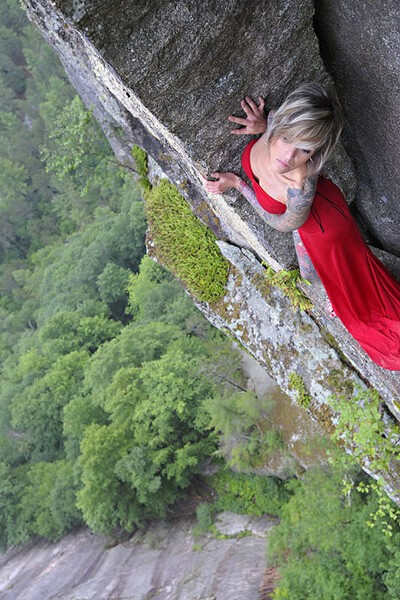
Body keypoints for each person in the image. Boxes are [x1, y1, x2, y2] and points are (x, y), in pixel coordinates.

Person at [202, 83, 400, 370]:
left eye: (305, 149)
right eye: (286, 137)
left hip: (325, 228)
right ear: (280, 123)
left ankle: (351, 304)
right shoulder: (275, 132)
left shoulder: (300, 187)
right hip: (314, 219)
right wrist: (262, 125)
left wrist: (238, 185)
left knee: (352, 295)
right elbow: (282, 133)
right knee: (317, 275)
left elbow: (282, 223)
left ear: (314, 153)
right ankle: (338, 294)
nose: (287, 156)